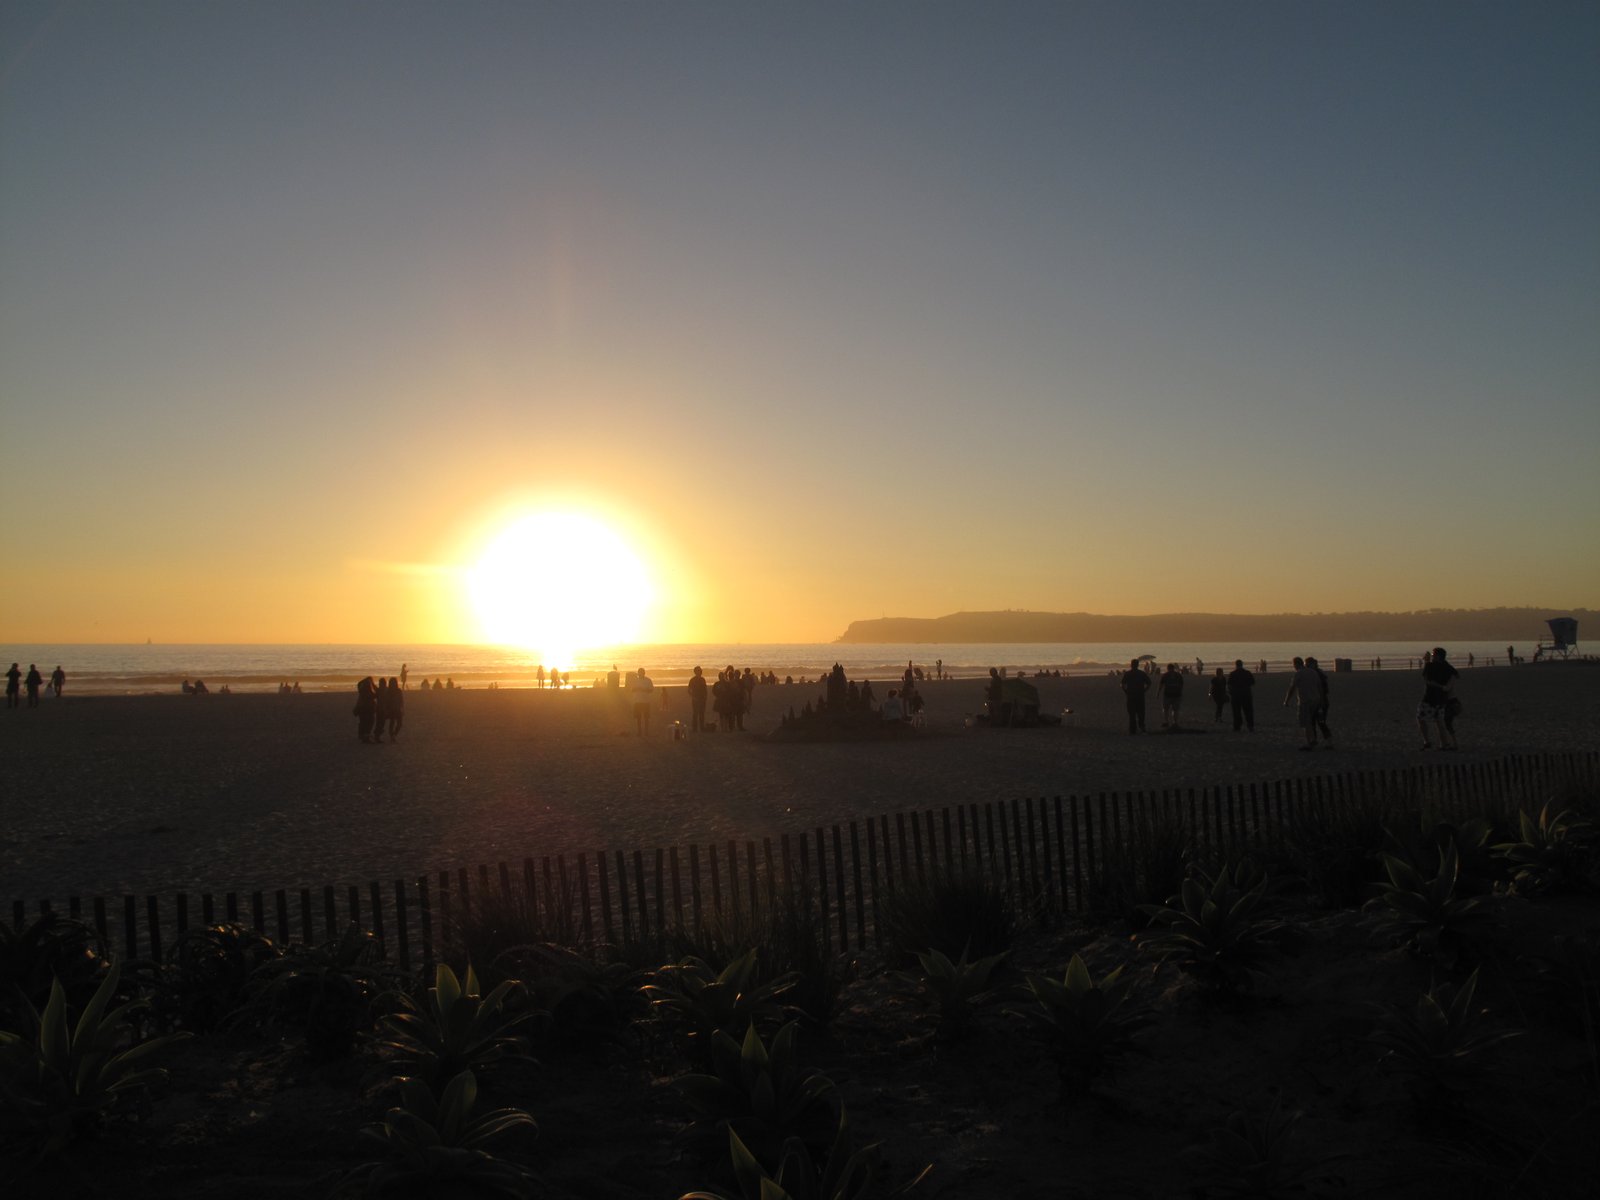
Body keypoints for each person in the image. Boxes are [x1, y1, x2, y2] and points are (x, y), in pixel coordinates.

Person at [1418, 647, 1460, 750]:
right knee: (1439, 721)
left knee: (1420, 718)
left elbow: (1427, 680)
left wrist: (1426, 662)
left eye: (1433, 655)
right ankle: (1444, 744)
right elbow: (1455, 674)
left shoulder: (1430, 666)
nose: (1432, 657)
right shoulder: (1447, 667)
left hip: (1430, 698)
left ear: (1437, 656)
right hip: (1442, 699)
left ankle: (1427, 741)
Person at [1283, 657, 1324, 750]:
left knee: (1306, 722)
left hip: (1305, 701)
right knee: (1309, 721)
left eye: (1293, 665)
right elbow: (1319, 686)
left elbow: (1292, 688)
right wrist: (1321, 700)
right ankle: (1311, 740)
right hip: (1315, 700)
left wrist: (1286, 701)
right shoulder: (1313, 672)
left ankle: (1310, 741)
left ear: (1296, 664)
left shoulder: (1299, 673)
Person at [1120, 659, 1150, 734]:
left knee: (1132, 713)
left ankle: (1133, 729)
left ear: (1131, 665)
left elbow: (1122, 684)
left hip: (1131, 696)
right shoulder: (1142, 673)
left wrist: (1125, 691)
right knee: (1141, 713)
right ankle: (1141, 727)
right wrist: (1145, 690)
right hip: (1140, 695)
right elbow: (1149, 683)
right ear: (1137, 665)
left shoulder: (1128, 673)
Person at [1227, 659, 1256, 732]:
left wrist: (1231, 692)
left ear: (1236, 665)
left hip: (1236, 695)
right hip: (1246, 694)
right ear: (1242, 664)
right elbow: (1252, 682)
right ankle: (1250, 726)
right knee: (1248, 711)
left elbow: (1229, 684)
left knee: (1236, 712)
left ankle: (1237, 726)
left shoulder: (1232, 674)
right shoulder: (1247, 673)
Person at [1309, 656, 1331, 742]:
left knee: (1321, 722)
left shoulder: (1317, 674)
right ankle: (1314, 740)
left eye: (1307, 665)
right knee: (1313, 722)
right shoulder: (1317, 673)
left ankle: (1328, 741)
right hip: (1316, 702)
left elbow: (1324, 690)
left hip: (1320, 702)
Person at [1157, 663, 1184, 728]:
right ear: (1173, 668)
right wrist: (1180, 692)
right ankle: (1175, 722)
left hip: (1168, 694)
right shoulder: (1178, 675)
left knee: (1166, 709)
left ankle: (1167, 722)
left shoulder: (1165, 675)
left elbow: (1161, 685)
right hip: (1176, 694)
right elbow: (1181, 685)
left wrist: (1158, 693)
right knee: (1175, 710)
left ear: (1167, 668)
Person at [630, 667, 654, 736]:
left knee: (646, 717)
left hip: (646, 701)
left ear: (644, 673)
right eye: (639, 673)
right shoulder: (635, 680)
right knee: (638, 717)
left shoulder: (648, 680)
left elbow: (651, 690)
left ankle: (646, 731)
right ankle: (639, 731)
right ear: (638, 673)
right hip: (637, 701)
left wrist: (645, 690)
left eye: (641, 673)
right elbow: (631, 690)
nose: (640, 674)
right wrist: (636, 689)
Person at [354, 676, 377, 742]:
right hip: (368, 709)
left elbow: (359, 683)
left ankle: (361, 735)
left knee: (362, 722)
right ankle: (366, 736)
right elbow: (375, 694)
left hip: (361, 708)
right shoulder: (369, 691)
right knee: (370, 722)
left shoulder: (361, 690)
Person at [687, 666, 709, 732]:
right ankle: (695, 728)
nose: (700, 672)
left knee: (702, 713)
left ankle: (702, 728)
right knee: (695, 714)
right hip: (695, 699)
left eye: (701, 670)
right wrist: (693, 697)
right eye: (699, 671)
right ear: (696, 672)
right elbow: (689, 690)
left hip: (702, 699)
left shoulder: (703, 679)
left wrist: (705, 697)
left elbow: (705, 689)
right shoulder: (692, 680)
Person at [373, 677, 390, 741]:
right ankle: (377, 736)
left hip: (380, 709)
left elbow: (375, 695)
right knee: (381, 723)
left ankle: (377, 736)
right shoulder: (386, 690)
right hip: (383, 709)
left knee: (379, 723)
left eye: (380, 683)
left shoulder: (379, 690)